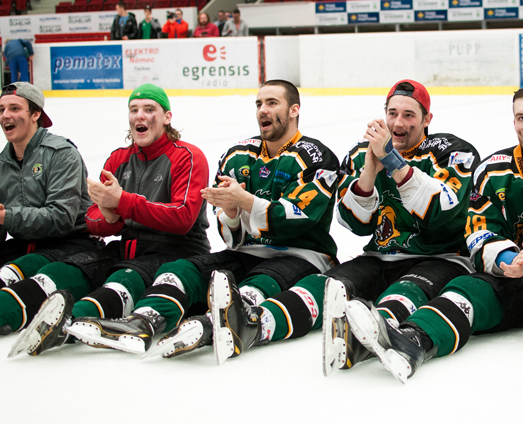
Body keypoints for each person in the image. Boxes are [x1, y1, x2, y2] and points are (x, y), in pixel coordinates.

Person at [148, 80, 479, 370]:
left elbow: (442, 212)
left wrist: (393, 162)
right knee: (325, 287)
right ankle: (253, 325)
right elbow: (355, 223)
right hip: (378, 256)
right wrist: (369, 170)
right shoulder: (363, 153)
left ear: (427, 119)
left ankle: (374, 337)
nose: (398, 122)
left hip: (439, 257)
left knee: (403, 293)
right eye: (392, 113)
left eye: (409, 115)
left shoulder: (452, 152)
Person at [341, 84, 523, 387]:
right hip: (511, 275)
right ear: (514, 123)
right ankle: (412, 340)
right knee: (463, 290)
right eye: (522, 118)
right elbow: (479, 231)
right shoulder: (492, 170)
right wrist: (512, 260)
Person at [55, 80, 340, 364]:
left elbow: (296, 218)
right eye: (258, 104)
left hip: (302, 254)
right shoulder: (238, 154)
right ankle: (143, 321)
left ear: (294, 110)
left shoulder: (316, 156)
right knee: (181, 270)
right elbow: (230, 237)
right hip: (246, 252)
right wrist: (231, 213)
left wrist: (244, 200)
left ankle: (211, 325)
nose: (262, 110)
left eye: (272, 103)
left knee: (260, 282)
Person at [7, 84, 211, 356]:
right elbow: (93, 218)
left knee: (124, 279)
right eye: (134, 110)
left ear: (167, 117)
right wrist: (110, 215)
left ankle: (67, 324)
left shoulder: (187, 156)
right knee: (72, 267)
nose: (140, 115)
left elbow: (182, 218)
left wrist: (123, 202)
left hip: (177, 250)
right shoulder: (118, 159)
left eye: (149, 109)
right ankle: (11, 309)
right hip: (128, 249)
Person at [0, 82, 99, 273]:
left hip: (71, 244)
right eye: (1, 109)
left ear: (36, 114)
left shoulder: (61, 153)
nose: (5, 115)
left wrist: (7, 217)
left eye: (15, 108)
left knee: (10, 275)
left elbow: (61, 218)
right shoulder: (2, 163)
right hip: (25, 246)